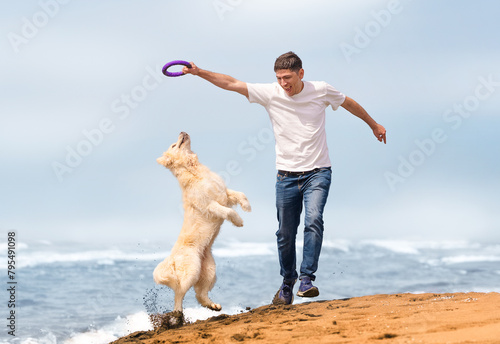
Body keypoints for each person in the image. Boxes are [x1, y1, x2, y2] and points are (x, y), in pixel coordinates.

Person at [182, 51, 386, 305]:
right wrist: (199, 72)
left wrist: (373, 124)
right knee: (285, 234)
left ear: (301, 73)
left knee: (313, 220)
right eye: (279, 78)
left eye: (287, 77)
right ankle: (287, 282)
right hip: (286, 176)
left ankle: (306, 279)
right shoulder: (271, 93)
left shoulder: (321, 90)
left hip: (318, 172)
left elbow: (348, 103)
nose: (283, 83)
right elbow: (232, 83)